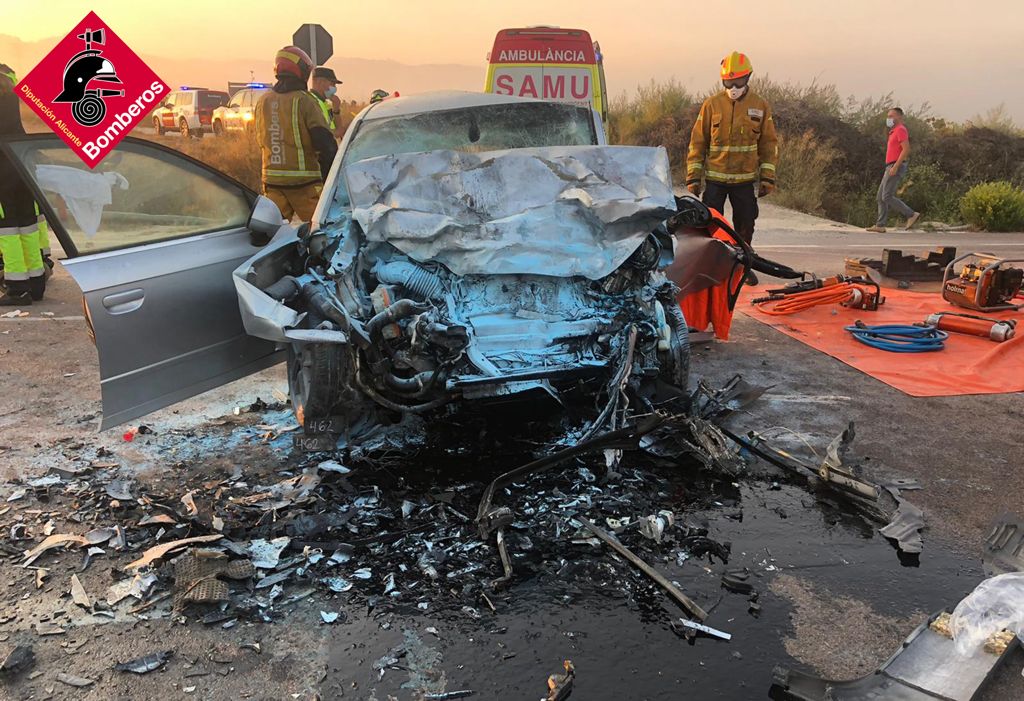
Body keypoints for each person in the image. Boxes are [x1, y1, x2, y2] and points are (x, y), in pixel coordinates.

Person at [686, 51, 778, 284]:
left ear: (748, 78)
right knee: (710, 225)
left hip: (744, 181)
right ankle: (709, 266)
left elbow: (768, 143)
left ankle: (742, 266)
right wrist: (693, 177)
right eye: (728, 81)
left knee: (745, 226)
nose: (733, 86)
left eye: (738, 81)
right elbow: (698, 142)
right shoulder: (712, 105)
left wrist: (767, 178)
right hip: (715, 180)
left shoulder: (760, 106)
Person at [254, 47, 338, 223]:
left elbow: (261, 139)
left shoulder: (263, 101)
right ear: (302, 71)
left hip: (272, 185)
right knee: (323, 231)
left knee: (270, 233)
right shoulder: (305, 101)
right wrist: (330, 178)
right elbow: (325, 144)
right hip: (305, 185)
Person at [0, 63, 48, 305]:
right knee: (26, 223)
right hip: (19, 159)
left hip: (2, 165)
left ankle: (18, 289)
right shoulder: (8, 77)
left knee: (6, 229)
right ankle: (36, 282)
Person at [865, 107, 920, 233]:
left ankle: (911, 214)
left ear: (899, 117)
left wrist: (896, 166)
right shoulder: (893, 131)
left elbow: (906, 149)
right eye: (888, 116)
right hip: (889, 166)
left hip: (896, 165)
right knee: (880, 197)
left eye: (891, 116)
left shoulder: (901, 130)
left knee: (887, 196)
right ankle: (880, 225)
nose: (888, 119)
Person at [309, 66, 344, 139]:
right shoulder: (312, 102)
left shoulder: (325, 104)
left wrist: (336, 110)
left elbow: (337, 128)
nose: (334, 88)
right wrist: (338, 132)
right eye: (332, 84)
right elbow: (319, 135)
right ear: (320, 82)